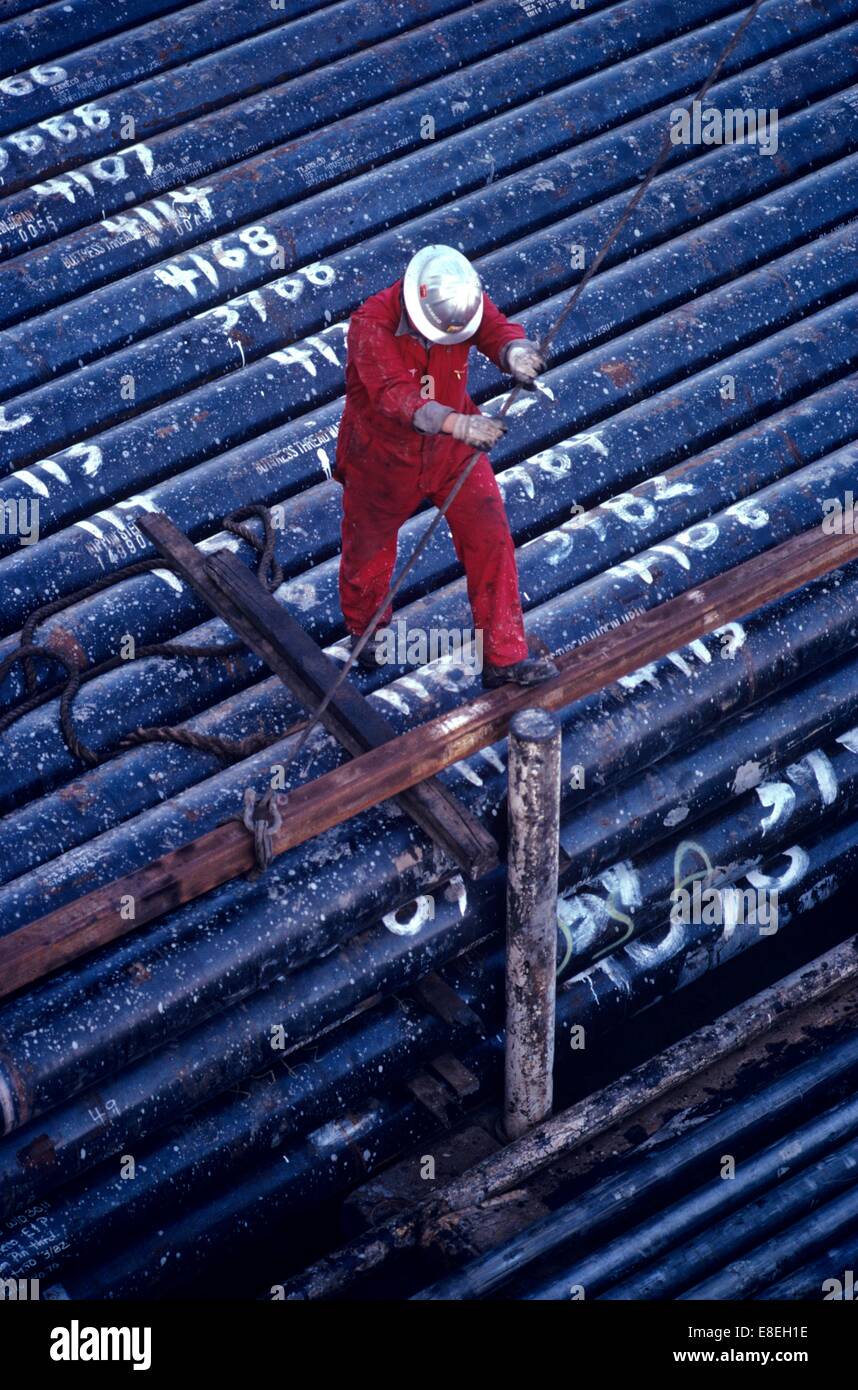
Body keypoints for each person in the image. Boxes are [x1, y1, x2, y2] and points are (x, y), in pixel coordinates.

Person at [334, 244, 558, 689]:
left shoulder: (460, 297)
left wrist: (515, 353)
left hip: (451, 455)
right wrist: (460, 424)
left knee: (490, 535)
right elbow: (396, 397)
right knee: (369, 551)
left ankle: (504, 656)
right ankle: (367, 632)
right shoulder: (370, 325)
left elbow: (494, 328)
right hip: (382, 459)